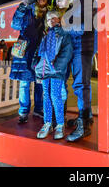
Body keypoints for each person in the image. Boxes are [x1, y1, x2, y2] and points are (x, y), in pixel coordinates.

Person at [10, 0, 52, 124]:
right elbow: (15, 25)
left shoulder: (50, 13)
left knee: (40, 82)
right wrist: (21, 7)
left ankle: (38, 109)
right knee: (24, 83)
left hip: (41, 50)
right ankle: (23, 112)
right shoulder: (27, 10)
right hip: (25, 50)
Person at [61, 0, 96, 142]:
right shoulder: (75, 3)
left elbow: (85, 26)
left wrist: (66, 28)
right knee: (81, 83)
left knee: (81, 84)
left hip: (82, 47)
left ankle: (84, 126)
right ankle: (86, 116)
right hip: (76, 47)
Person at [34, 10, 73, 140]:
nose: (51, 21)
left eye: (54, 18)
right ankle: (47, 123)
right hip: (45, 70)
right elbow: (40, 53)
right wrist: (36, 65)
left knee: (55, 95)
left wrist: (57, 68)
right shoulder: (45, 36)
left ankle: (60, 124)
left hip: (56, 71)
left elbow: (66, 53)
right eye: (49, 19)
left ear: (59, 19)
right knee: (46, 96)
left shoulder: (63, 34)